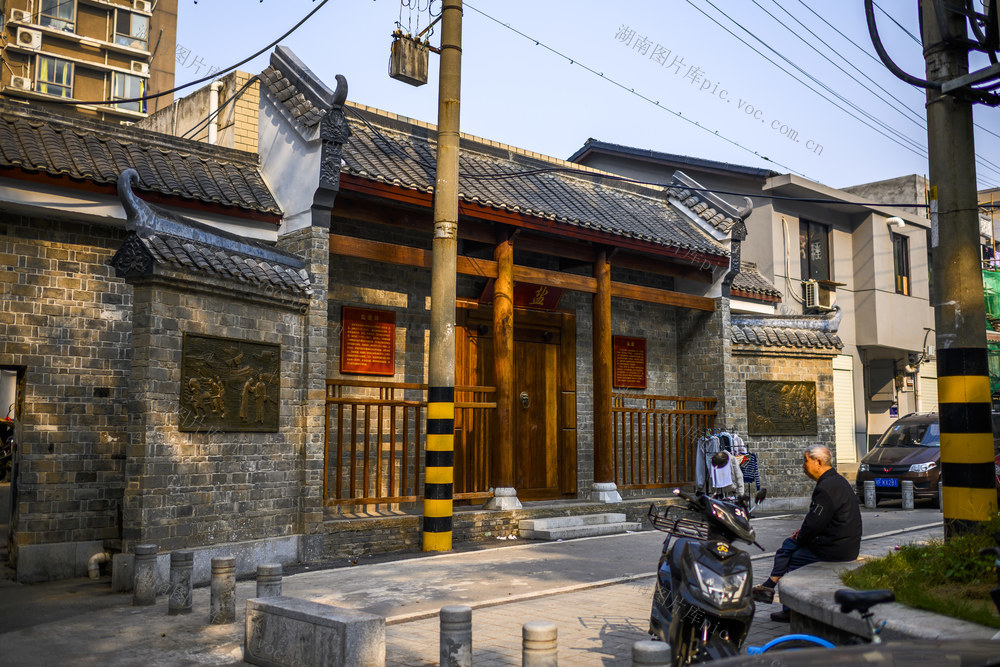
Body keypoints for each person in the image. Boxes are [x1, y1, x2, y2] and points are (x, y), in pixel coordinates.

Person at [751, 444, 862, 622]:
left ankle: (786, 605)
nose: (803, 465)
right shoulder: (836, 482)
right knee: (789, 545)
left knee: (793, 555)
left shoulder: (826, 488)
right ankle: (770, 585)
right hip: (843, 543)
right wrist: (801, 534)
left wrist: (800, 536)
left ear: (818, 462)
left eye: (806, 461)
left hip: (836, 548)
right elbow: (817, 521)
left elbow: (813, 525)